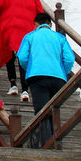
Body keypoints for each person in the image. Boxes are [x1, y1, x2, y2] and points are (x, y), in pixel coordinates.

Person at [16, 12, 75, 147]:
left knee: (41, 110)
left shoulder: (30, 36)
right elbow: (70, 58)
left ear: (36, 24)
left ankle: (45, 144)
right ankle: (55, 142)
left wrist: (30, 67)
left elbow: (22, 58)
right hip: (58, 77)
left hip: (37, 76)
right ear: (50, 24)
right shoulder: (59, 37)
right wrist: (63, 71)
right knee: (54, 109)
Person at [0, 0, 47, 101]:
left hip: (8, 25)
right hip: (27, 28)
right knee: (24, 56)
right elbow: (40, 11)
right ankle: (25, 89)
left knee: (9, 54)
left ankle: (13, 84)